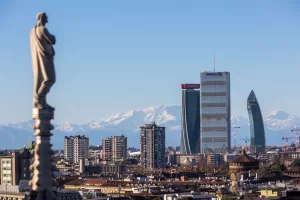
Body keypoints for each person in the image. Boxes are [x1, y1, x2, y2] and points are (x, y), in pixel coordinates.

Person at [30, 12, 56, 110]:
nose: (47, 21)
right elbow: (53, 40)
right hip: (45, 57)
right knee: (50, 79)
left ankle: (41, 102)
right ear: (42, 19)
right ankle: (39, 98)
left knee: (40, 80)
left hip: (37, 58)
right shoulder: (43, 29)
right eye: (46, 18)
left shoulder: (33, 31)